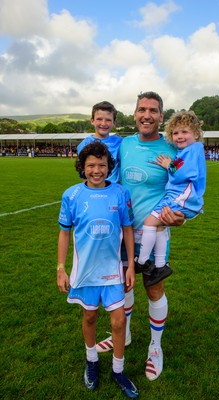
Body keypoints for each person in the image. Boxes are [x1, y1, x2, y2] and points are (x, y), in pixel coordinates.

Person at [96, 91, 185, 381]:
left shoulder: (174, 149)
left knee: (153, 289)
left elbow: (190, 189)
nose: (146, 115)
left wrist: (183, 216)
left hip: (155, 232)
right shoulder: (124, 145)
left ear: (161, 116)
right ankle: (126, 333)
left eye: (153, 111)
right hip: (122, 233)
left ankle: (155, 347)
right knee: (124, 284)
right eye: (141, 109)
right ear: (134, 114)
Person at [57, 141, 139, 398]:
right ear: (82, 167)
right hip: (85, 273)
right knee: (90, 317)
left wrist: (131, 266)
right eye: (91, 165)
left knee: (119, 321)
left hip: (113, 271)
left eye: (102, 165)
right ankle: (91, 361)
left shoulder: (120, 193)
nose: (96, 170)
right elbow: (63, 233)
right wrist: (61, 268)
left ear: (109, 166)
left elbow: (127, 229)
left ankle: (118, 369)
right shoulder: (71, 195)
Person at [135, 110, 206, 286]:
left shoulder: (193, 149)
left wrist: (169, 165)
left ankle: (142, 261)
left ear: (196, 134)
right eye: (175, 133)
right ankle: (160, 266)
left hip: (183, 197)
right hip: (179, 196)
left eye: (185, 132)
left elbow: (182, 174)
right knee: (159, 226)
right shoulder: (187, 150)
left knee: (150, 222)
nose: (179, 136)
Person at [77, 101, 122, 183]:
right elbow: (84, 173)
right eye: (99, 119)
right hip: (94, 190)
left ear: (114, 123)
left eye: (108, 120)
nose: (103, 123)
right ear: (92, 120)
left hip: (115, 190)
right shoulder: (85, 144)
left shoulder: (119, 142)